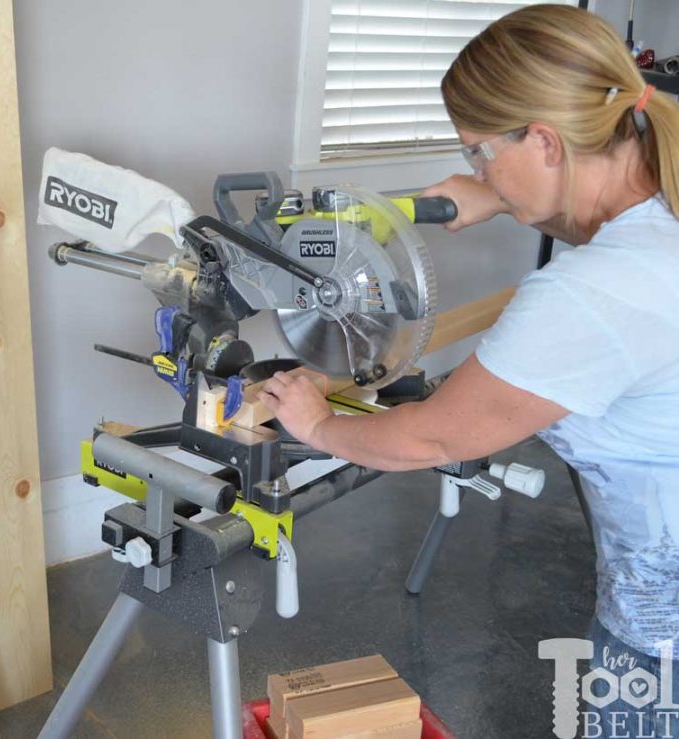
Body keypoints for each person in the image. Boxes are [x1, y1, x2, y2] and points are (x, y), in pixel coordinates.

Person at [258, 5, 679, 737]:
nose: (476, 169)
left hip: (662, 634)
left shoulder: (586, 294)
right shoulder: (660, 195)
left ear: (546, 140)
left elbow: (432, 439)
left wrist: (317, 422)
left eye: (479, 152)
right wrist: (504, 192)